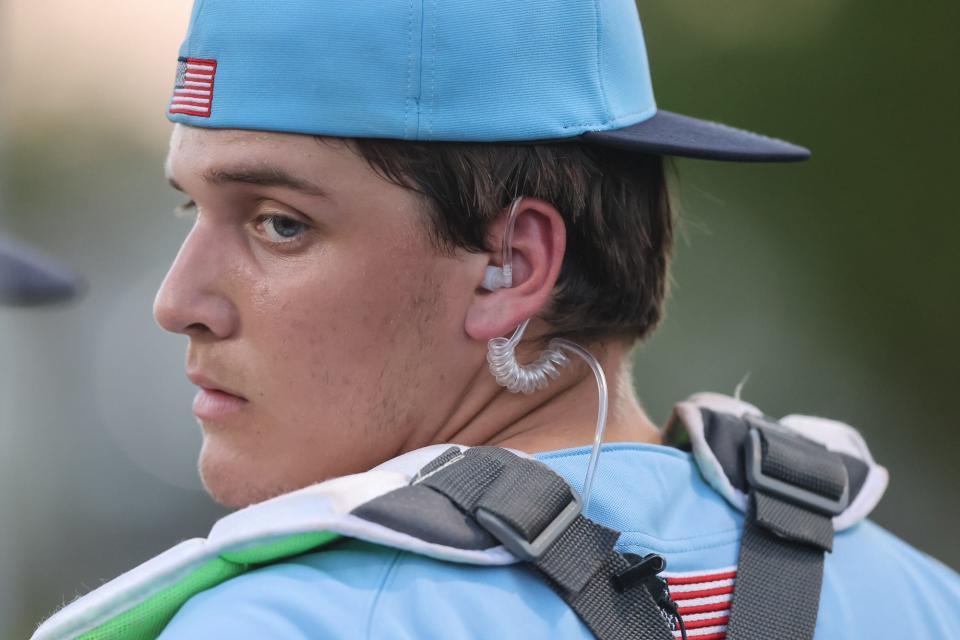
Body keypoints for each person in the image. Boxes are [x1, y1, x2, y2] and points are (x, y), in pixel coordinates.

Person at [32, 1, 959, 639]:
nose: (175, 303)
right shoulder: (918, 597)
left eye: (281, 224)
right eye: (190, 212)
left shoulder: (280, 622)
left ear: (511, 267)